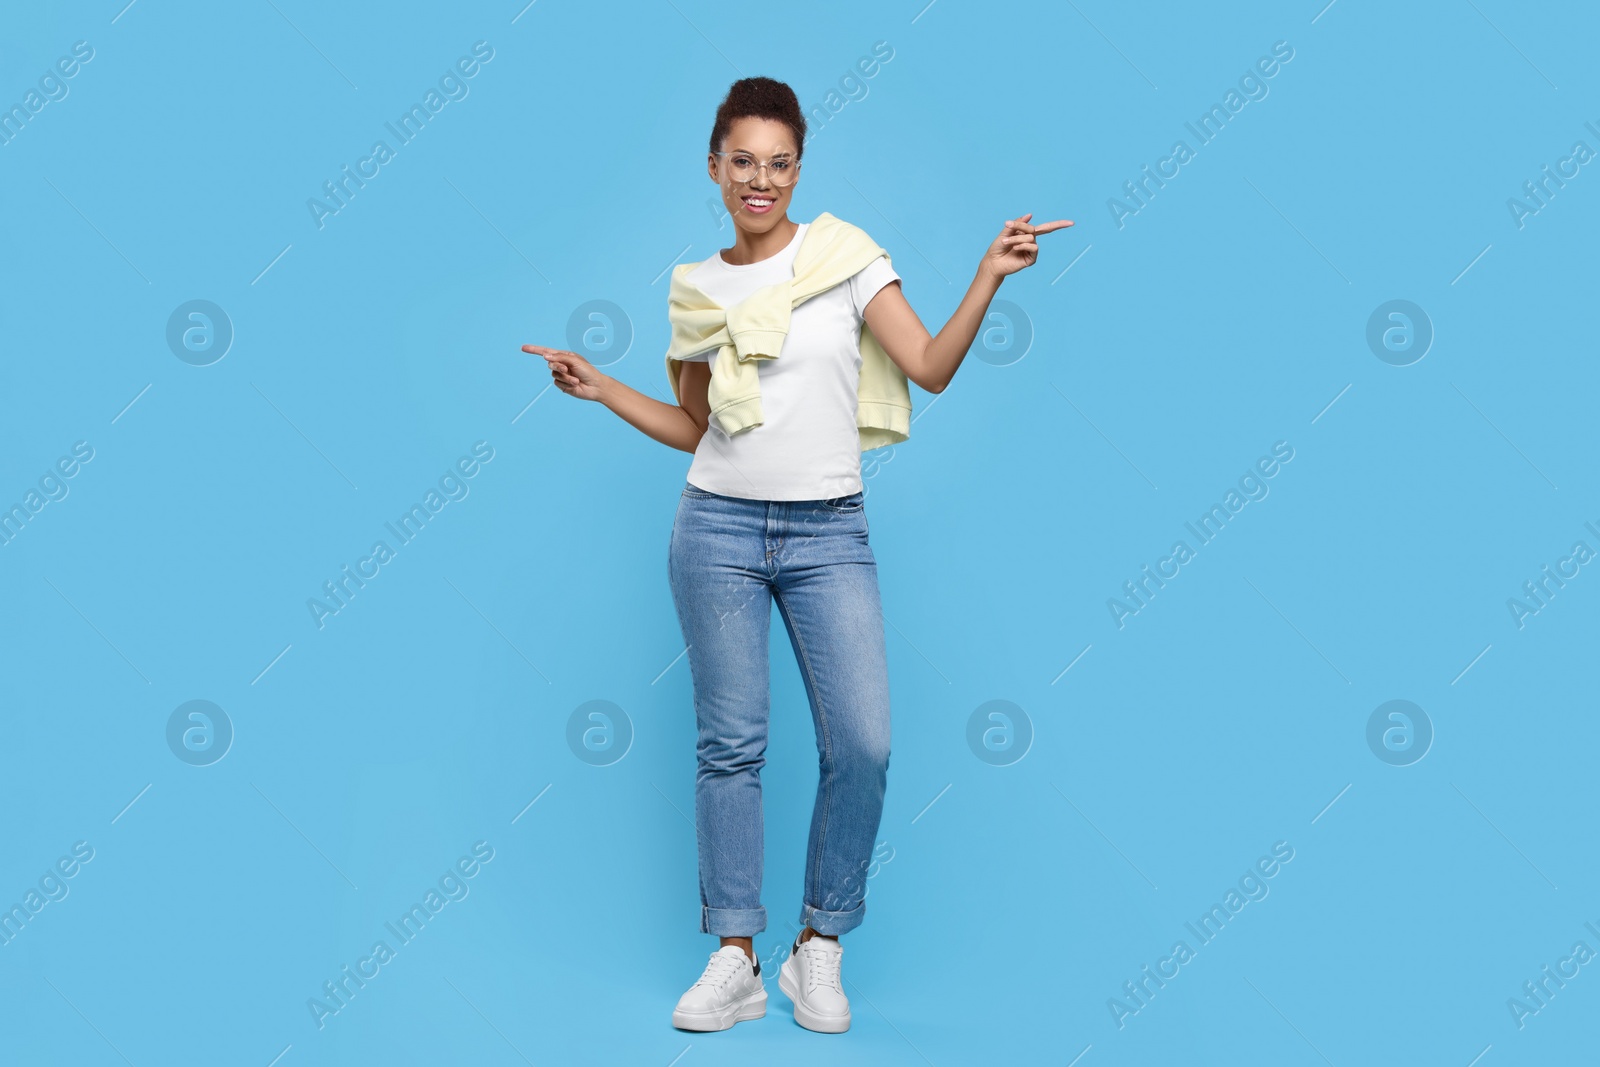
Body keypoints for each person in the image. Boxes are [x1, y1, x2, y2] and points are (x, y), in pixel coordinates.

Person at [521, 76, 1071, 1034]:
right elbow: (697, 424)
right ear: (714, 167)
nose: (760, 178)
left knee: (863, 742)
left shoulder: (847, 258)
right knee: (730, 746)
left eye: (778, 162)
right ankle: (733, 955)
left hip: (828, 531)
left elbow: (930, 368)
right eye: (743, 161)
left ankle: (819, 945)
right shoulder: (697, 288)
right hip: (717, 528)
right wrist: (605, 388)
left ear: (798, 168)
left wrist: (987, 274)